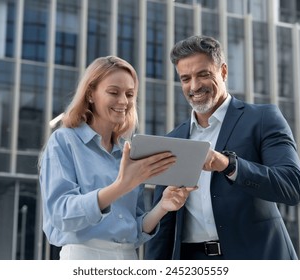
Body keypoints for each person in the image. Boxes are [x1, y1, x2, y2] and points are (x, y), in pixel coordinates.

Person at [145, 35, 300, 260]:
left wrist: (228, 165)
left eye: (203, 74)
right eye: (185, 78)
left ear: (223, 72)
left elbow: (292, 186)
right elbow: (165, 226)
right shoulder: (174, 139)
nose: (194, 86)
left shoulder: (262, 119)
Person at [39, 55, 196, 260]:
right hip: (84, 257)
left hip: (128, 257)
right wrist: (121, 185)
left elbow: (134, 231)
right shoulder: (64, 141)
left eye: (130, 94)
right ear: (90, 94)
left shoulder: (128, 152)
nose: (123, 101)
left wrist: (163, 207)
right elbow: (61, 215)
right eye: (113, 92)